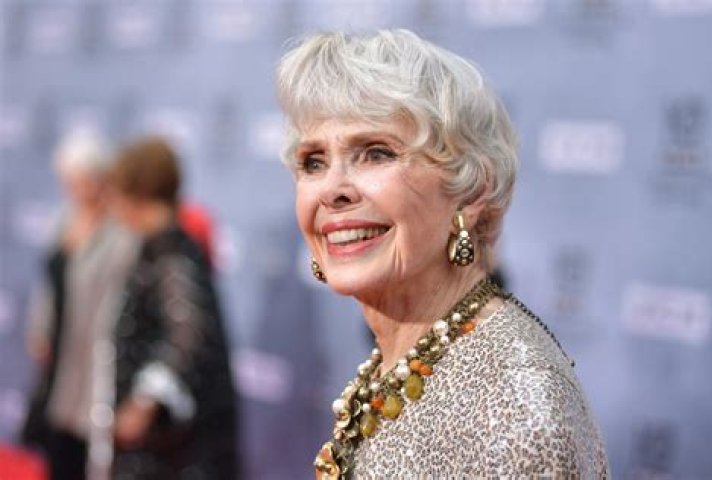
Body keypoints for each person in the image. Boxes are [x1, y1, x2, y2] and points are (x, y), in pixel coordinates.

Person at [276, 30, 609, 478]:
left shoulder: (515, 409)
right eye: (313, 162)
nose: (332, 190)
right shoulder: (415, 353)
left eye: (376, 153)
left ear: (471, 192)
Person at [109, 136, 238, 479]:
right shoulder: (160, 249)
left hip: (178, 453)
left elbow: (188, 332)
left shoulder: (172, 256)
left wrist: (143, 403)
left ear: (136, 192)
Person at [21, 129, 139, 479]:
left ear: (100, 178)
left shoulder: (123, 231)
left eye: (80, 181)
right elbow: (50, 283)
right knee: (57, 446)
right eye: (68, 181)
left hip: (96, 358)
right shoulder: (63, 220)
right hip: (61, 353)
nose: (72, 189)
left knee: (90, 448)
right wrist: (41, 326)